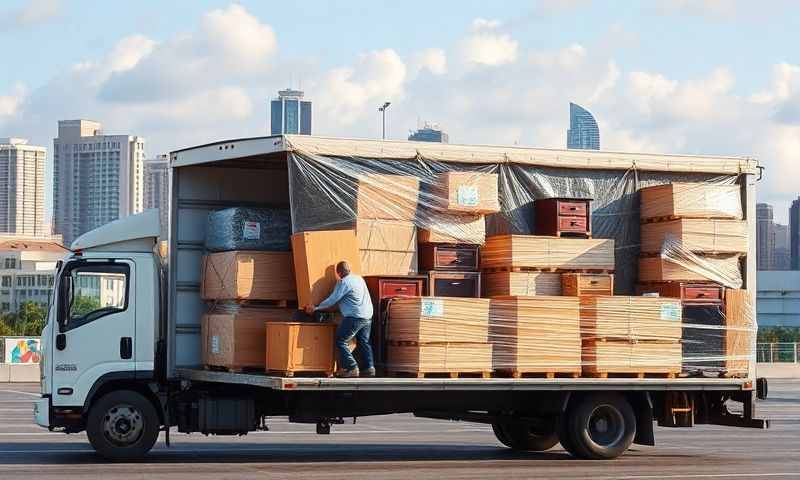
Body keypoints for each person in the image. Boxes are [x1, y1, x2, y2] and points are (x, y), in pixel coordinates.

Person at [307, 261, 375, 377]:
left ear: (338, 273)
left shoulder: (344, 282)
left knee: (341, 340)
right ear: (349, 269)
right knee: (364, 342)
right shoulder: (359, 279)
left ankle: (351, 367)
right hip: (367, 316)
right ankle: (369, 368)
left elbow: (332, 299)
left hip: (355, 317)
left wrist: (316, 307)